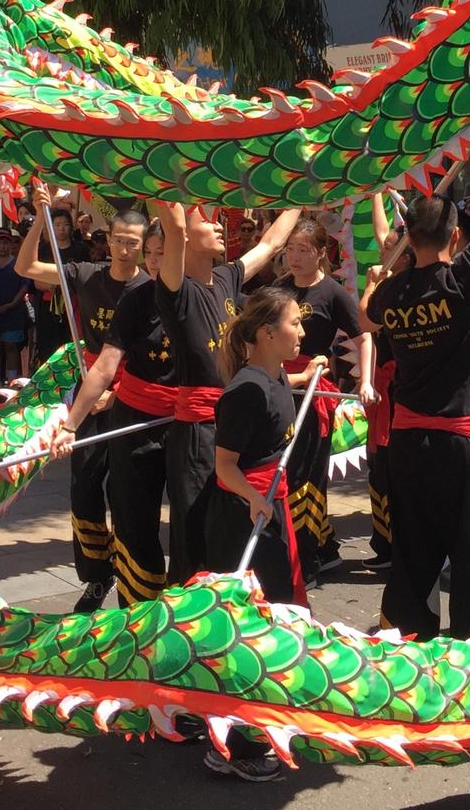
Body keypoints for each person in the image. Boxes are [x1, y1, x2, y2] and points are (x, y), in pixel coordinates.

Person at [360, 111, 470, 640]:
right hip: (460, 445)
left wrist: (390, 264)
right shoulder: (463, 280)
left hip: (408, 443)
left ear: (411, 237)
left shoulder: (392, 293)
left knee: (412, 549)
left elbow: (364, 316)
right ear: (455, 234)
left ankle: (406, 648)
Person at [16, 184, 150, 612]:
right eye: (119, 241)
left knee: (128, 493)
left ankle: (136, 577)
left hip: (133, 397)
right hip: (90, 392)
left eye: (134, 243)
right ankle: (97, 575)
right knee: (85, 485)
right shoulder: (85, 274)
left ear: (144, 246)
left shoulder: (151, 289)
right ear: (108, 241)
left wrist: (119, 392)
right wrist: (41, 215)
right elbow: (26, 266)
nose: (125, 249)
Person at [153, 201, 300, 585]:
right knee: (195, 534)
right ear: (185, 234)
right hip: (197, 437)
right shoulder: (176, 289)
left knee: (235, 532)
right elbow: (172, 226)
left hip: (236, 425)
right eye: (208, 221)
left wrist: (303, 195)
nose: (220, 227)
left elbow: (270, 245)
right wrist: (158, 180)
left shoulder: (225, 278)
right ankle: (192, 620)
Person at [201, 288, 307, 782]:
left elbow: (282, 398)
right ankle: (230, 747)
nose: (302, 332)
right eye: (295, 324)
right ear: (267, 334)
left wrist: (313, 372)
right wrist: (254, 499)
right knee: (249, 628)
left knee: (279, 617)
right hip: (246, 516)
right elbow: (223, 467)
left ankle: (265, 723)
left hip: (268, 508)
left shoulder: (277, 373)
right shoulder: (245, 390)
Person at [50, 223, 175, 606]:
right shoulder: (128, 296)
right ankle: (103, 579)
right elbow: (108, 361)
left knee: (174, 512)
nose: (147, 258)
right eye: (121, 240)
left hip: (177, 419)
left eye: (153, 250)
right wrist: (74, 420)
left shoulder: (196, 293)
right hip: (114, 404)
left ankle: (181, 595)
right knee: (93, 490)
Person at [275, 219, 374, 585]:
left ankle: (309, 559)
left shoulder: (332, 293)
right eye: (290, 249)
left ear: (321, 253)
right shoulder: (279, 289)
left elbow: (363, 337)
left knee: (307, 476)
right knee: (284, 470)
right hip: (281, 385)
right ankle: (326, 549)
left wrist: (365, 380)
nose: (295, 257)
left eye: (303, 250)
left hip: (314, 391)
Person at [362, 196, 415, 571]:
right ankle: (385, 541)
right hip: (381, 388)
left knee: (398, 464)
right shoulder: (386, 281)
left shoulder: (404, 289)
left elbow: (367, 323)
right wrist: (375, 191)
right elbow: (384, 232)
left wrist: (372, 287)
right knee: (378, 463)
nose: (386, 250)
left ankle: (403, 543)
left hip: (404, 386)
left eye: (394, 248)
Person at [33, 206, 91, 363]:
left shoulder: (81, 249)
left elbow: (85, 278)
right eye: (57, 224)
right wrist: (55, 285)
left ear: (71, 227)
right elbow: (37, 281)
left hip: (72, 305)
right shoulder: (44, 249)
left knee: (71, 344)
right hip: (48, 306)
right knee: (48, 345)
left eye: (65, 224)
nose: (61, 228)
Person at [0, 227, 28, 385]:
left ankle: (12, 382)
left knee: (10, 346)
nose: (2, 247)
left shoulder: (18, 264)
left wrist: (10, 304)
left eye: (5, 243)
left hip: (13, 313)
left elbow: (24, 287)